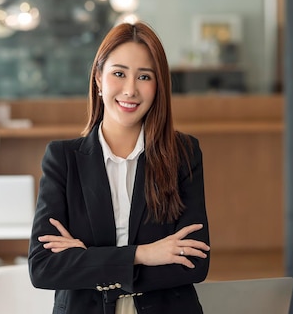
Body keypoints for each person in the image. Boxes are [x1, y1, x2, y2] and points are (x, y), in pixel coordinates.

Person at [28, 21, 210, 314]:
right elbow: (44, 268)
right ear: (99, 78)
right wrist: (145, 254)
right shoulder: (63, 158)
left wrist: (89, 261)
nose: (130, 90)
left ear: (159, 85)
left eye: (144, 77)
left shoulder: (183, 154)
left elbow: (194, 264)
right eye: (118, 73)